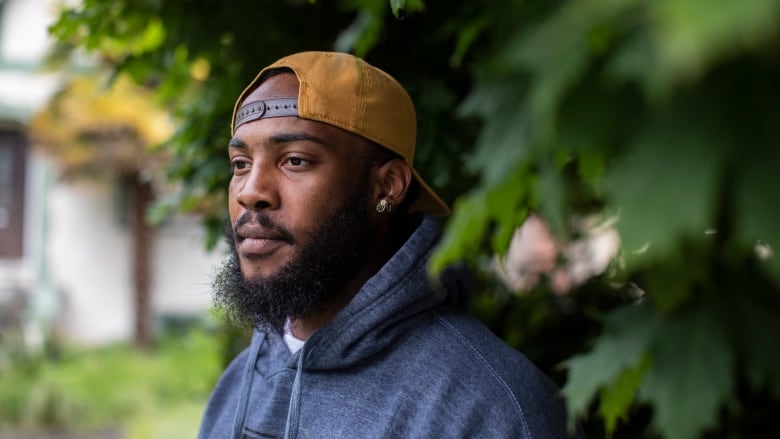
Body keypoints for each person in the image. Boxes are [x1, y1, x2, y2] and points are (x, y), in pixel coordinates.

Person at [199, 51, 582, 439]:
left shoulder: (493, 409)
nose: (251, 192)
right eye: (240, 164)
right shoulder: (237, 386)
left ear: (388, 185)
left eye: (295, 160)